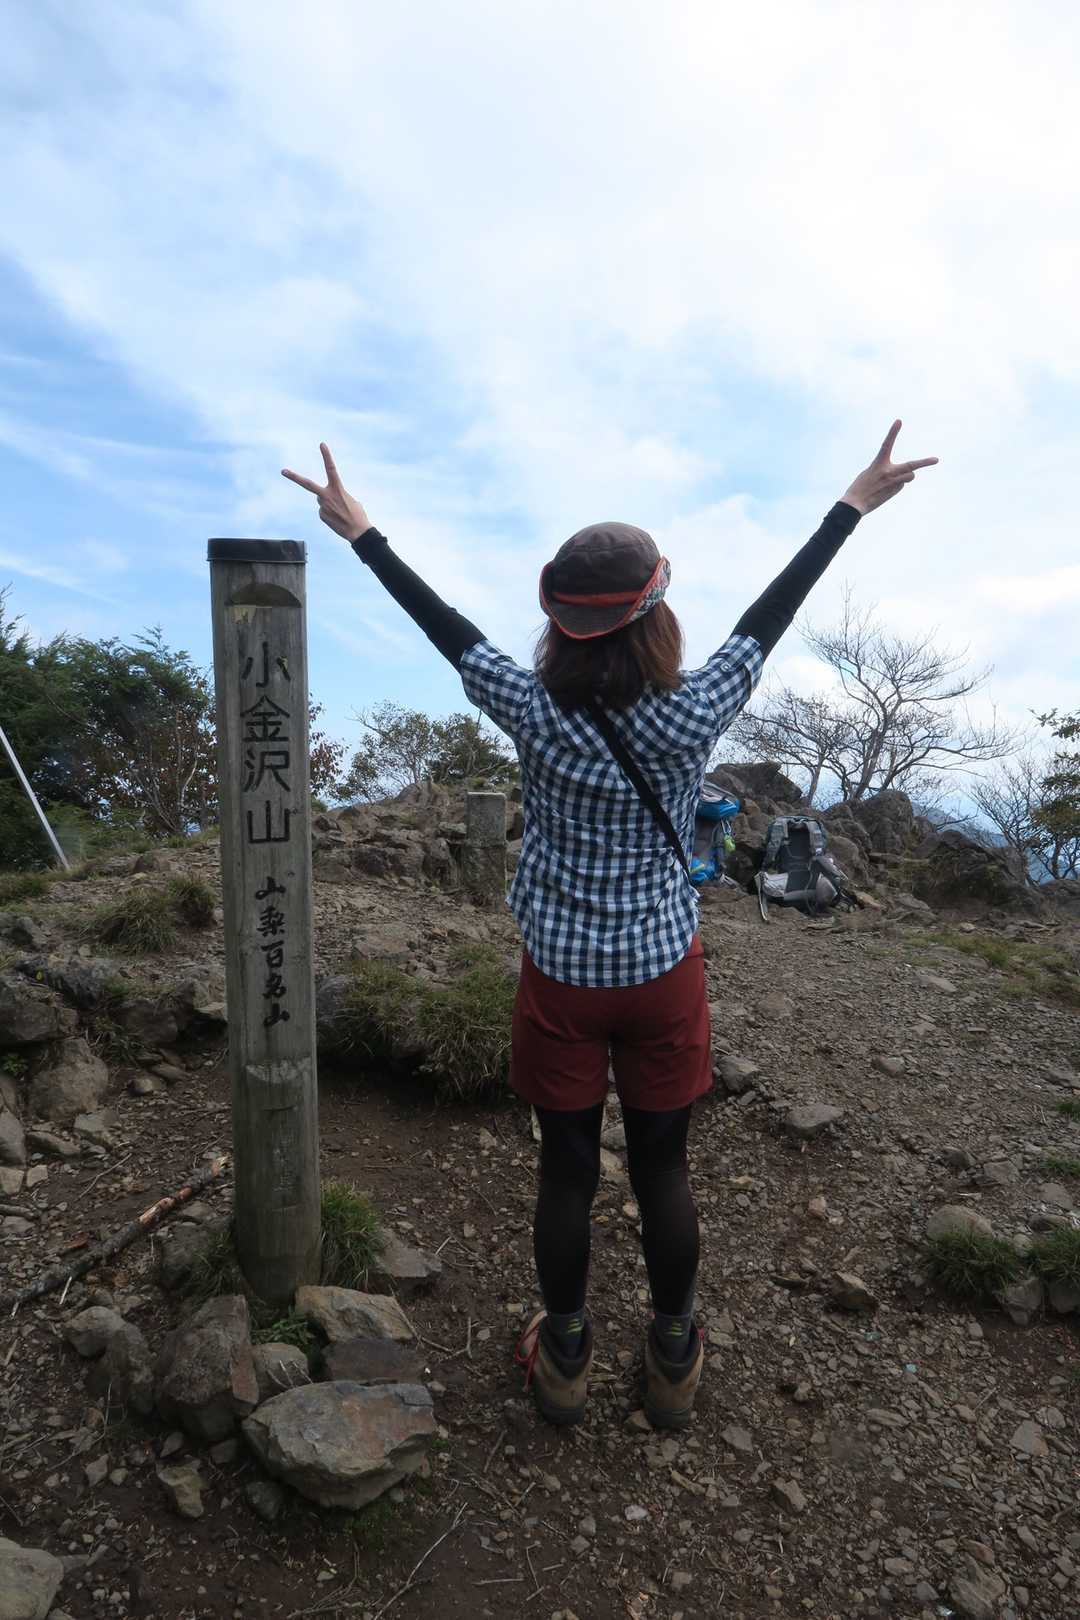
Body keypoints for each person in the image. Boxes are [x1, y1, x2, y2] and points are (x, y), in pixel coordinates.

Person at [283, 421, 936, 1429]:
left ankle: (565, 1357)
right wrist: (848, 507)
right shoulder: (693, 712)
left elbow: (446, 627)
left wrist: (362, 532)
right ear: (656, 615)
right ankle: (674, 1355)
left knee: (567, 1168)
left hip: (560, 979)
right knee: (664, 1167)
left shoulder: (528, 706)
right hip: (662, 972)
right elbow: (770, 615)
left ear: (557, 622)